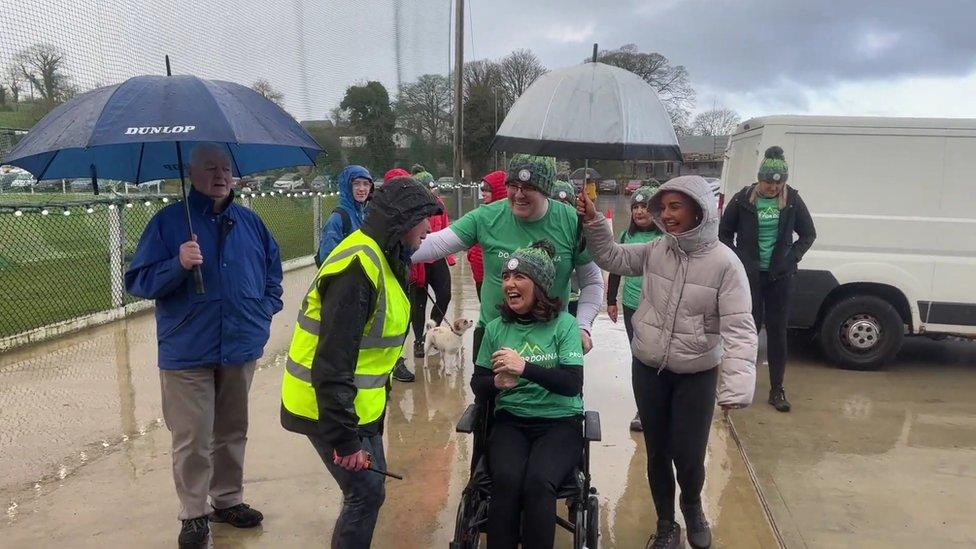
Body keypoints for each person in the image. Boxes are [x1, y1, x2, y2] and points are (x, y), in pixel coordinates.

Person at [578, 175, 757, 549]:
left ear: (699, 210)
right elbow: (612, 257)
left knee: (689, 455)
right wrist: (594, 221)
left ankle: (691, 506)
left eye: (676, 206)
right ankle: (665, 524)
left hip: (696, 373)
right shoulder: (657, 248)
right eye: (665, 207)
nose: (667, 214)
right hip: (649, 368)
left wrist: (736, 385)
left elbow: (740, 329)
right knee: (657, 451)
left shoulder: (726, 264)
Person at [125, 142, 282, 549]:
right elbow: (138, 281)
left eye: (225, 168)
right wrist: (177, 263)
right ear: (191, 174)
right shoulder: (167, 223)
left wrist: (263, 312)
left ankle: (228, 499)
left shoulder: (251, 223)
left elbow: (272, 275)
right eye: (211, 168)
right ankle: (194, 513)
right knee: (193, 436)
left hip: (240, 345)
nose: (221, 176)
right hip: (187, 349)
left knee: (232, 430)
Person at [280, 176, 441, 549]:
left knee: (369, 492)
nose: (429, 228)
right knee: (365, 494)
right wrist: (345, 440)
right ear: (403, 223)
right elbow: (332, 363)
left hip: (356, 406)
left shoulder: (382, 255)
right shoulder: (358, 268)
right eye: (424, 220)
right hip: (326, 408)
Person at [411, 154, 603, 362]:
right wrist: (389, 239)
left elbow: (592, 280)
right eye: (513, 185)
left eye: (528, 187)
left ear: (546, 189)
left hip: (552, 340)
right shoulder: (486, 216)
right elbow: (435, 244)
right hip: (494, 337)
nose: (519, 195)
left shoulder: (572, 221)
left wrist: (583, 326)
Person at [470, 240, 585, 549]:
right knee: (506, 481)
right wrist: (496, 384)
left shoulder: (565, 325)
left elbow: (572, 383)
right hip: (512, 422)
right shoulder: (495, 329)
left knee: (538, 482)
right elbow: (477, 383)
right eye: (506, 278)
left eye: (519, 277)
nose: (510, 284)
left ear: (540, 285)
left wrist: (524, 368)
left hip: (560, 423)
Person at [719, 146, 816, 413]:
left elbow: (808, 234)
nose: (772, 188)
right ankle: (741, 386)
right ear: (759, 178)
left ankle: (777, 389)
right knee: (747, 332)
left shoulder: (793, 200)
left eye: (778, 183)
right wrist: (738, 258)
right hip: (748, 276)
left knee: (777, 332)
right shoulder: (742, 200)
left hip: (780, 277)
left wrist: (791, 258)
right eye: (767, 182)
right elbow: (724, 233)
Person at [605, 184, 662, 433]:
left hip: (658, 308)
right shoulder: (627, 237)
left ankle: (662, 403)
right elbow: (617, 268)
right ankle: (643, 407)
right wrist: (611, 301)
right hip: (631, 306)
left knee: (658, 357)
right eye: (635, 207)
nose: (639, 212)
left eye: (645, 207)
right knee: (638, 358)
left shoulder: (666, 238)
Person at [396, 170, 455, 382]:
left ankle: (433, 329)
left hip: (437, 259)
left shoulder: (439, 206)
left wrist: (449, 258)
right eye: (428, 188)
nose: (433, 192)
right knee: (417, 304)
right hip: (418, 261)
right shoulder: (413, 209)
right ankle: (419, 340)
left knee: (445, 295)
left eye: (434, 188)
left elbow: (446, 230)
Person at [316, 165, 374, 266]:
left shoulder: (368, 215)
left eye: (366, 184)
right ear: (347, 187)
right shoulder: (338, 218)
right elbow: (326, 257)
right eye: (356, 184)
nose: (362, 189)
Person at [468, 170, 508, 300]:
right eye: (482, 189)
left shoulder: (507, 217)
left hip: (497, 278)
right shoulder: (481, 214)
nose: (483, 193)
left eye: (487, 189)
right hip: (480, 277)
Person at [549, 179, 582, 316]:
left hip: (573, 296)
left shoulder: (578, 228)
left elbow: (593, 278)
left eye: (566, 203)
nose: (562, 208)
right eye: (557, 203)